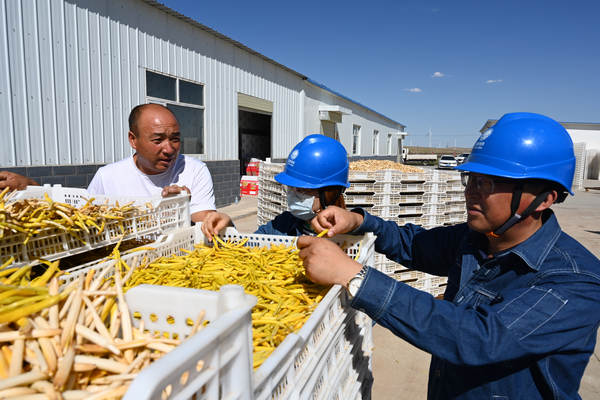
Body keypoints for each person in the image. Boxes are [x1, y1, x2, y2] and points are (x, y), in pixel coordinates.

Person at [296, 112, 600, 399]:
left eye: (489, 182)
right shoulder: (475, 240)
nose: (471, 192)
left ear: (543, 199)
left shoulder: (574, 282)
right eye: (471, 178)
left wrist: (355, 277)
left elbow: (477, 338)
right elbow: (414, 245)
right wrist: (360, 221)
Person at [0, 104, 216, 223]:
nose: (169, 149)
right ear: (133, 140)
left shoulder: (194, 170)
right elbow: (79, 216)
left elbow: (204, 220)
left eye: (175, 139)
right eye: (158, 140)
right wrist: (33, 189)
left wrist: (180, 205)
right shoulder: (108, 175)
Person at [201, 134, 349, 238]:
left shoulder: (350, 233)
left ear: (330, 192)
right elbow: (248, 248)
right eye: (290, 188)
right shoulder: (281, 224)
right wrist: (228, 227)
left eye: (302, 189)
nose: (292, 194)